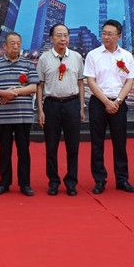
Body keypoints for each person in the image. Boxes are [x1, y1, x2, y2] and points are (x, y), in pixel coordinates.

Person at [84, 19, 134, 194]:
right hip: (98, 103)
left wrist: (118, 101)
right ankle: (99, 180)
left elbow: (130, 80)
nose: (106, 37)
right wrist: (106, 102)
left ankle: (122, 179)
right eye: (104, 33)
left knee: (120, 143)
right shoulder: (93, 55)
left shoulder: (127, 56)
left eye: (110, 34)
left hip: (119, 103)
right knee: (97, 143)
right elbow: (91, 81)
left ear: (119, 36)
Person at [0, 31, 39, 196]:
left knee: (24, 151)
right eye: (12, 43)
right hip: (4, 115)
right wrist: (3, 93)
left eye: (18, 44)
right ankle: (4, 183)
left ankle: (25, 184)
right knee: (4, 150)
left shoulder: (28, 64)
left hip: (23, 115)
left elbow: (34, 87)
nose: (16, 46)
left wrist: (14, 92)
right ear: (5, 46)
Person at [36, 23, 85, 196]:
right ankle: (53, 181)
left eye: (65, 35)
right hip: (52, 105)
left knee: (73, 146)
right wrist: (40, 110)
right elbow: (40, 86)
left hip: (72, 104)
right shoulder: (44, 59)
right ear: (51, 38)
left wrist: (81, 107)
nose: (63, 39)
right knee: (51, 146)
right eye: (59, 35)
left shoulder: (77, 57)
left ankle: (71, 182)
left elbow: (81, 83)